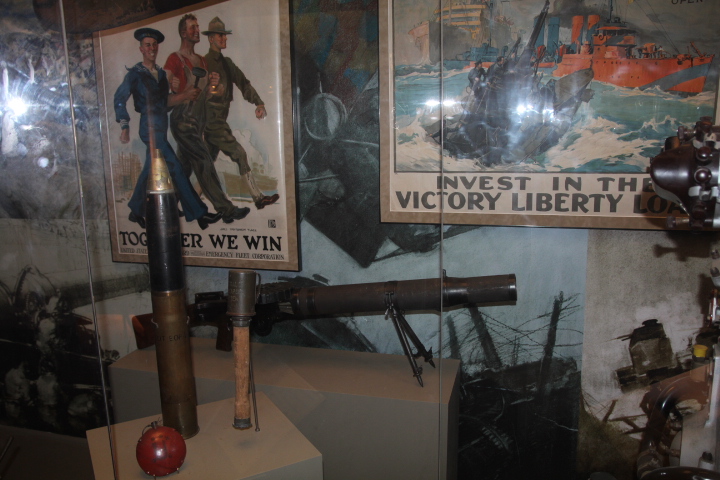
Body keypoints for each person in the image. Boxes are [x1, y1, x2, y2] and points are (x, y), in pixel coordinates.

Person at [113, 27, 221, 230]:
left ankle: (136, 211)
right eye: (148, 45)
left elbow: (165, 104)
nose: (152, 48)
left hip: (161, 126)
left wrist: (181, 94)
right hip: (149, 128)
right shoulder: (135, 74)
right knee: (176, 168)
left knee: (149, 170)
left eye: (154, 45)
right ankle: (199, 214)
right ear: (141, 49)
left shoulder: (162, 75)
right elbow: (119, 98)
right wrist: (124, 125)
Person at [164, 14, 251, 224]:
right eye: (192, 28)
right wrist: (180, 91)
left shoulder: (202, 61)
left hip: (198, 120)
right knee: (203, 160)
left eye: (197, 27)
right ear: (183, 33)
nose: (196, 31)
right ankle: (226, 209)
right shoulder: (174, 59)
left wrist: (213, 86)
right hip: (183, 120)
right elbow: (164, 96)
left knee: (183, 167)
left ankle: (168, 207)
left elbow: (209, 94)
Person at [202, 17, 279, 210]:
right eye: (220, 35)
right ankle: (258, 198)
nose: (224, 39)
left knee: (205, 166)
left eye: (225, 35)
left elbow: (243, 83)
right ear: (210, 38)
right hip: (211, 121)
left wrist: (258, 102)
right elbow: (196, 93)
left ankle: (190, 203)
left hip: (219, 120)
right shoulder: (203, 63)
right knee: (239, 154)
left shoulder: (227, 63)